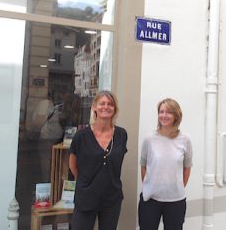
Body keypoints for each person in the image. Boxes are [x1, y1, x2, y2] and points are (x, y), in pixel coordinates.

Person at [69, 90, 128, 230]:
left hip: (111, 199)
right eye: (102, 103)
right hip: (86, 198)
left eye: (110, 104)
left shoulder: (121, 135)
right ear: (94, 107)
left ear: (114, 109)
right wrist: (87, 181)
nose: (106, 107)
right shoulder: (81, 136)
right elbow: (73, 165)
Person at [138, 98, 193, 230]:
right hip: (150, 199)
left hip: (175, 201)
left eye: (168, 112)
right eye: (161, 112)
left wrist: (175, 186)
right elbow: (143, 165)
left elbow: (187, 168)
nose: (164, 115)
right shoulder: (149, 138)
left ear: (176, 115)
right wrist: (151, 185)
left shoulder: (185, 140)